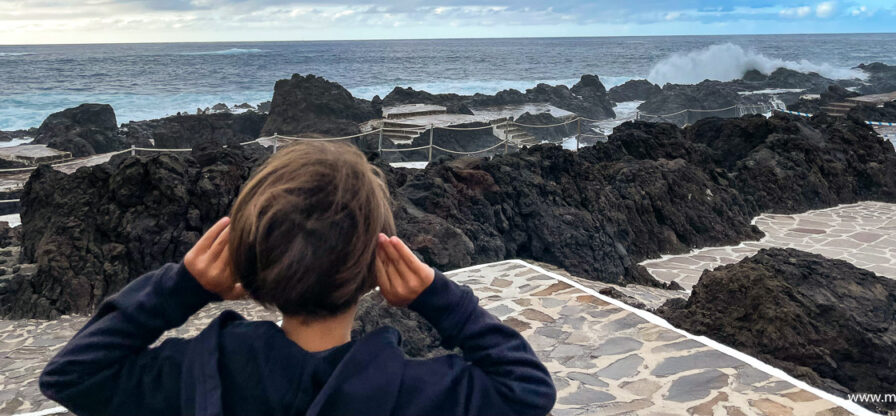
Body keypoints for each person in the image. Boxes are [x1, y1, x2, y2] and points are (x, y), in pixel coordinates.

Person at [39, 142, 557, 416]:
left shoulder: (194, 373)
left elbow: (71, 376)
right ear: (376, 271)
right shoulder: (419, 393)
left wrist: (185, 286)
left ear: (247, 264)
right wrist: (439, 298)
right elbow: (528, 391)